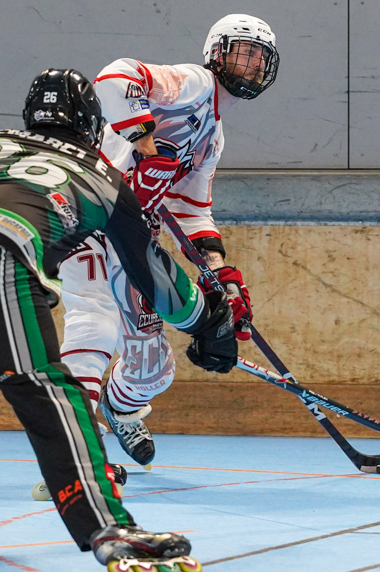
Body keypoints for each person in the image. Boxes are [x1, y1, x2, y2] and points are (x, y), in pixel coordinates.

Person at [0, 68, 237, 572]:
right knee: (49, 390)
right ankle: (109, 527)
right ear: (90, 123)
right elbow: (155, 276)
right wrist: (207, 321)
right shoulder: (104, 178)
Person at [56, 13, 278, 467]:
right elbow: (115, 78)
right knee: (94, 321)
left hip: (133, 239)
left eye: (261, 57)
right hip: (89, 214)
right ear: (217, 53)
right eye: (245, 51)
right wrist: (144, 142)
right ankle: (73, 452)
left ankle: (120, 409)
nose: (254, 63)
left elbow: (190, 210)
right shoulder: (193, 84)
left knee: (152, 370)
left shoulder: (212, 137)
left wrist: (221, 275)